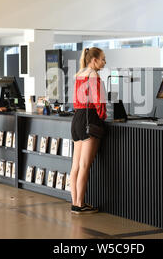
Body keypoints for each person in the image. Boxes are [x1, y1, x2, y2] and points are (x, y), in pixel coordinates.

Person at [70, 47, 107, 214]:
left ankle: (75, 203)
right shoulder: (94, 75)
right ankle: (80, 204)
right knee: (85, 165)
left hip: (76, 119)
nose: (104, 62)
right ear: (94, 60)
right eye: (103, 59)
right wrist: (102, 116)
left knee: (75, 166)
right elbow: (99, 102)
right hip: (89, 119)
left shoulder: (79, 74)